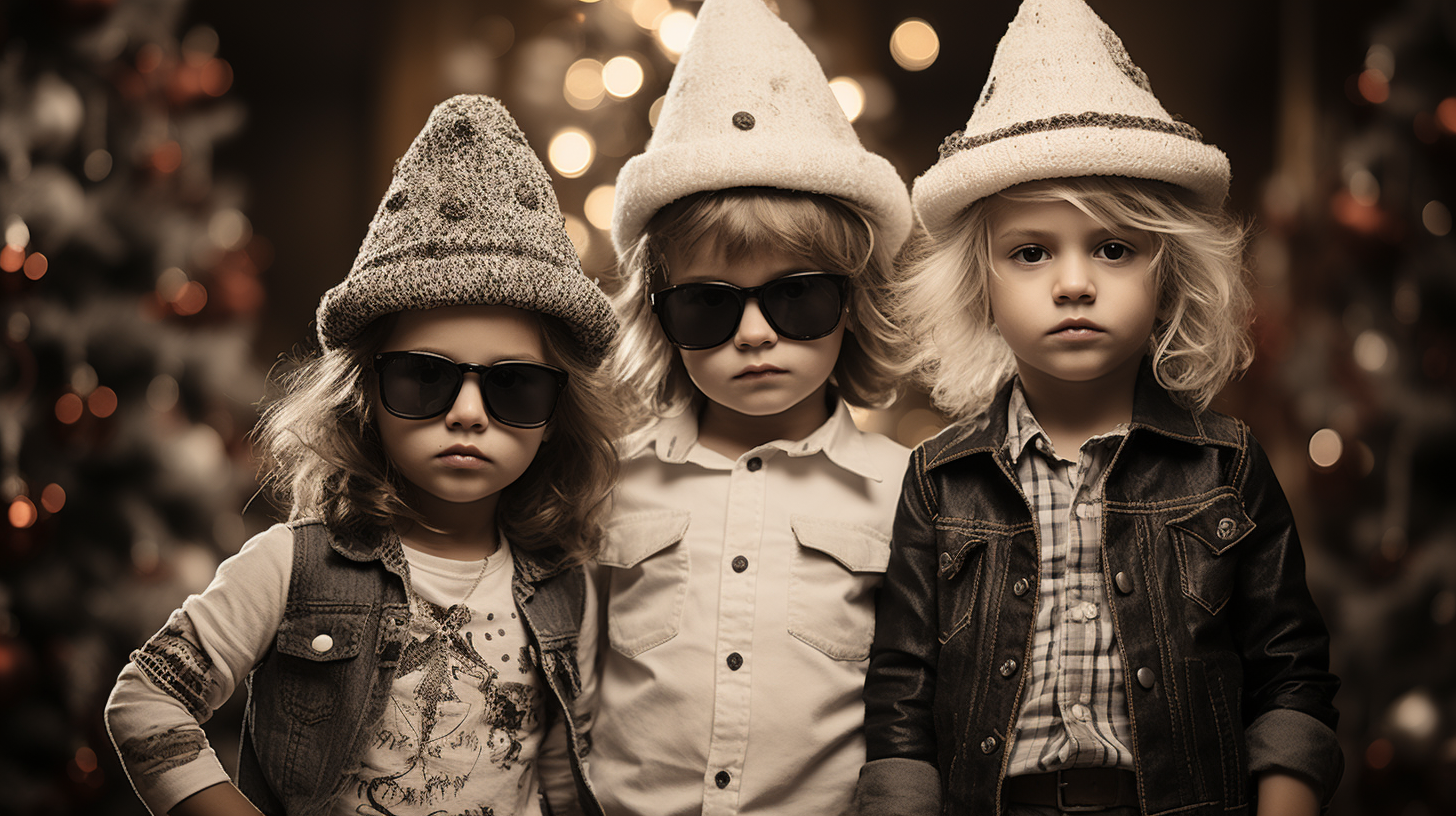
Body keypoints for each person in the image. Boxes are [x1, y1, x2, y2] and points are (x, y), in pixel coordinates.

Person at [851, 1, 1343, 814]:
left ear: (1168, 272)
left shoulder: (1227, 466)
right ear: (982, 285)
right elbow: (902, 696)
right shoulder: (941, 482)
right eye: (1031, 251)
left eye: (1114, 248)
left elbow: (1289, 667)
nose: (1074, 282)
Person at [104, 95, 622, 816]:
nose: (468, 414)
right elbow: (147, 699)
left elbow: (562, 778)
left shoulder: (566, 589)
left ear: (556, 415)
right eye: (426, 378)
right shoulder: (291, 569)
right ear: (365, 395)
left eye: (515, 386)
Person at [587, 0, 915, 813]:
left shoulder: (910, 491)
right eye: (709, 306)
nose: (756, 335)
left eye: (796, 298)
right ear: (659, 318)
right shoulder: (606, 482)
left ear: (851, 303)